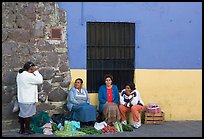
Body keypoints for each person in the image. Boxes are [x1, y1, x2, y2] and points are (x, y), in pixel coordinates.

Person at [16, 61, 43, 135]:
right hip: (28, 99)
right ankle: (26, 130)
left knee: (22, 115)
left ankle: (22, 129)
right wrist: (36, 71)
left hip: (22, 98)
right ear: (30, 68)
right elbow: (40, 80)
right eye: (33, 68)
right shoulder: (28, 76)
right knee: (27, 116)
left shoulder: (20, 74)